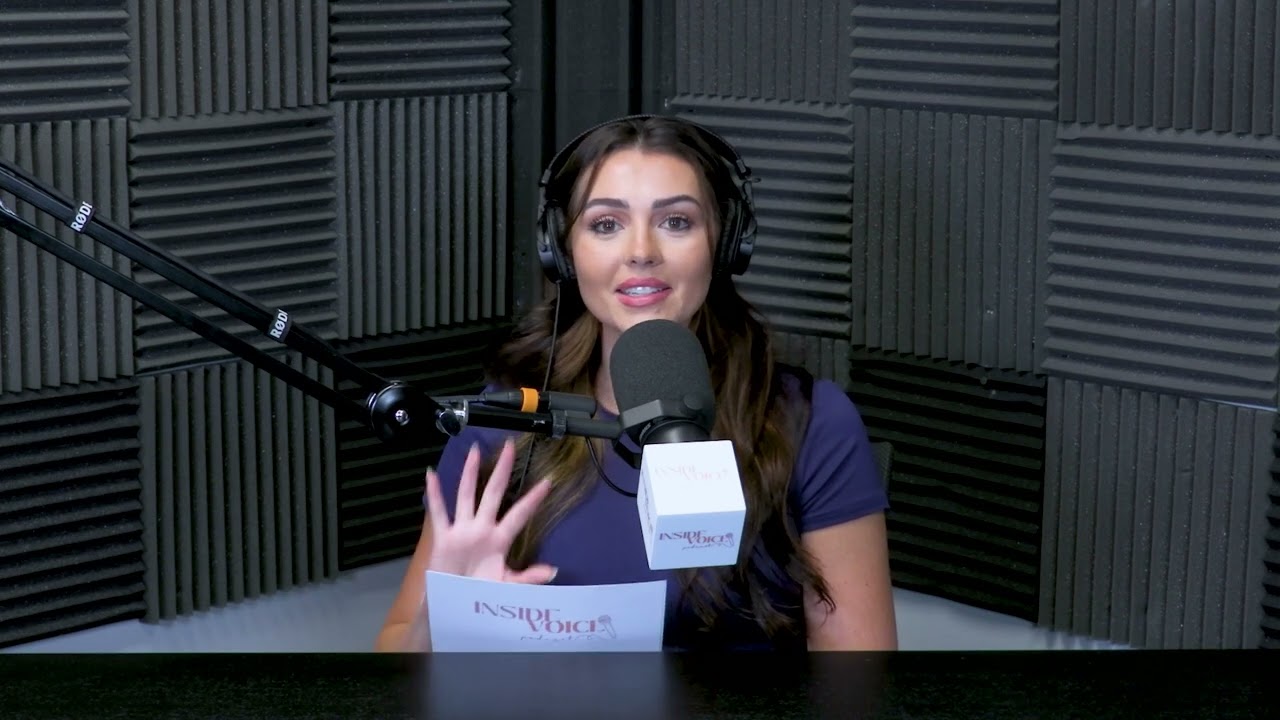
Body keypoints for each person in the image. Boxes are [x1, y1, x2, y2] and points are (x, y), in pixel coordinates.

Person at [375, 114, 897, 652]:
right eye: (606, 224)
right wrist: (444, 619)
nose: (641, 251)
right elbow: (393, 650)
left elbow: (859, 678)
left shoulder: (810, 423)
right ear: (563, 251)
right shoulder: (503, 423)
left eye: (676, 221)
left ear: (723, 243)